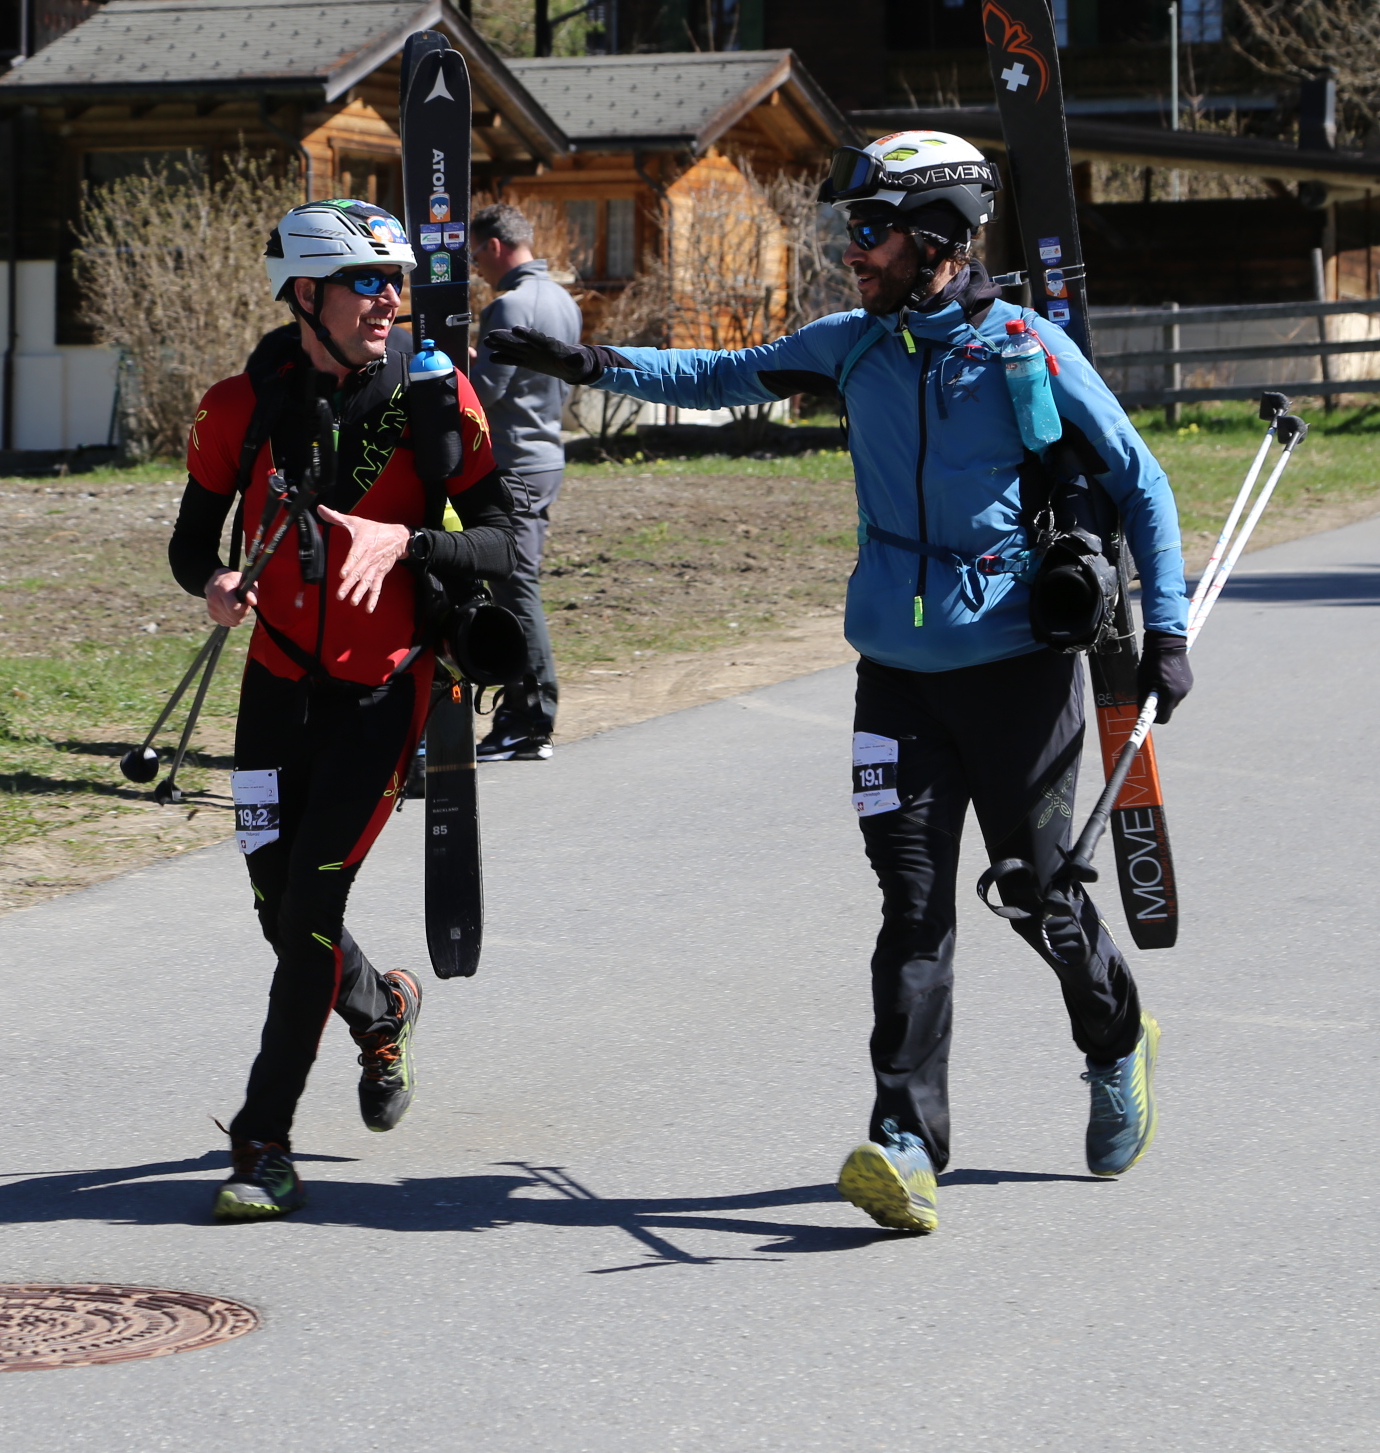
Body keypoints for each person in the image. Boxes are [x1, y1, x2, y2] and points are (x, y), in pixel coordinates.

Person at [487, 132, 1192, 1235]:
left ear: (940, 240)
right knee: (911, 909)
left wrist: (1169, 631)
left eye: (870, 230)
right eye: (849, 230)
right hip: (896, 684)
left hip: (1017, 676)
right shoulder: (852, 346)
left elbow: (1142, 484)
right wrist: (584, 364)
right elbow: (713, 377)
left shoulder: (1024, 352)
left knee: (1040, 896)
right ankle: (906, 1144)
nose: (850, 250)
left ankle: (1116, 1038)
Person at [167, 198, 517, 1222]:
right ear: (306, 294)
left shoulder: (435, 395)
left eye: (396, 281)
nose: (390, 300)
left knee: (311, 911)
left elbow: (504, 540)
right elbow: (191, 541)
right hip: (273, 685)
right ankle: (383, 1009)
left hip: (384, 689)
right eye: (368, 282)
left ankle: (262, 1143)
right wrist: (213, 582)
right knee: (277, 909)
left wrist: (408, 544)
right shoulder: (241, 406)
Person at [467, 202, 584, 762]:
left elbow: (486, 392)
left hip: (513, 461)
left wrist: (452, 373)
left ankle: (529, 722)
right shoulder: (563, 300)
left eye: (475, 255)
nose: (476, 267)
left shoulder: (508, 305)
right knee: (514, 584)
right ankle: (526, 718)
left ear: (494, 246)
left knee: (515, 588)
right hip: (546, 454)